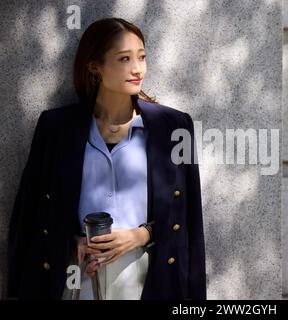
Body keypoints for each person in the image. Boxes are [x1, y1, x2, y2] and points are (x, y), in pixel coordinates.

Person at [7, 17, 206, 300]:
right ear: (95, 67)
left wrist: (141, 235)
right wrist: (72, 242)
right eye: (124, 59)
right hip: (77, 279)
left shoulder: (174, 126)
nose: (137, 69)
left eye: (142, 57)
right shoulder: (56, 127)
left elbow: (188, 218)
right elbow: (30, 213)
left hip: (148, 279)